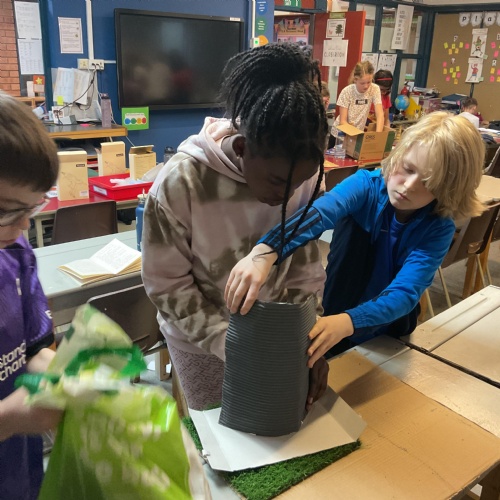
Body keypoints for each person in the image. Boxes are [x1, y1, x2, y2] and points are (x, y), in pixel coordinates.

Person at [142, 43, 330, 412]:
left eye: (299, 184)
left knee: (282, 431)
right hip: (198, 342)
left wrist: (309, 342)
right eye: (278, 182)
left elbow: (306, 270)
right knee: (215, 436)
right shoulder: (182, 182)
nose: (288, 195)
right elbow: (166, 284)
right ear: (242, 147)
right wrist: (228, 342)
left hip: (279, 337)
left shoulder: (304, 173)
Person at [225, 112, 485, 365]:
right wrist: (267, 250)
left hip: (387, 331)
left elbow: (405, 292)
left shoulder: (438, 228)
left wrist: (349, 321)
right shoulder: (366, 186)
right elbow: (319, 213)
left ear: (449, 189)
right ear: (399, 154)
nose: (408, 186)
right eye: (407, 168)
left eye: (428, 183)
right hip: (336, 308)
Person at [0, 92, 62, 499]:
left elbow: (33, 348)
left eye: (33, 209)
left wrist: (66, 377)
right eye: (7, 210)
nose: (24, 225)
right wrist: (10, 417)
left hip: (17, 471)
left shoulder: (14, 252)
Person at [333, 60, 384, 134]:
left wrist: (378, 135)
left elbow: (380, 114)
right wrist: (354, 133)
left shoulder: (374, 89)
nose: (366, 86)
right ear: (355, 80)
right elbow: (343, 121)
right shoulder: (347, 91)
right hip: (340, 134)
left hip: (358, 133)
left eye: (369, 82)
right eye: (362, 83)